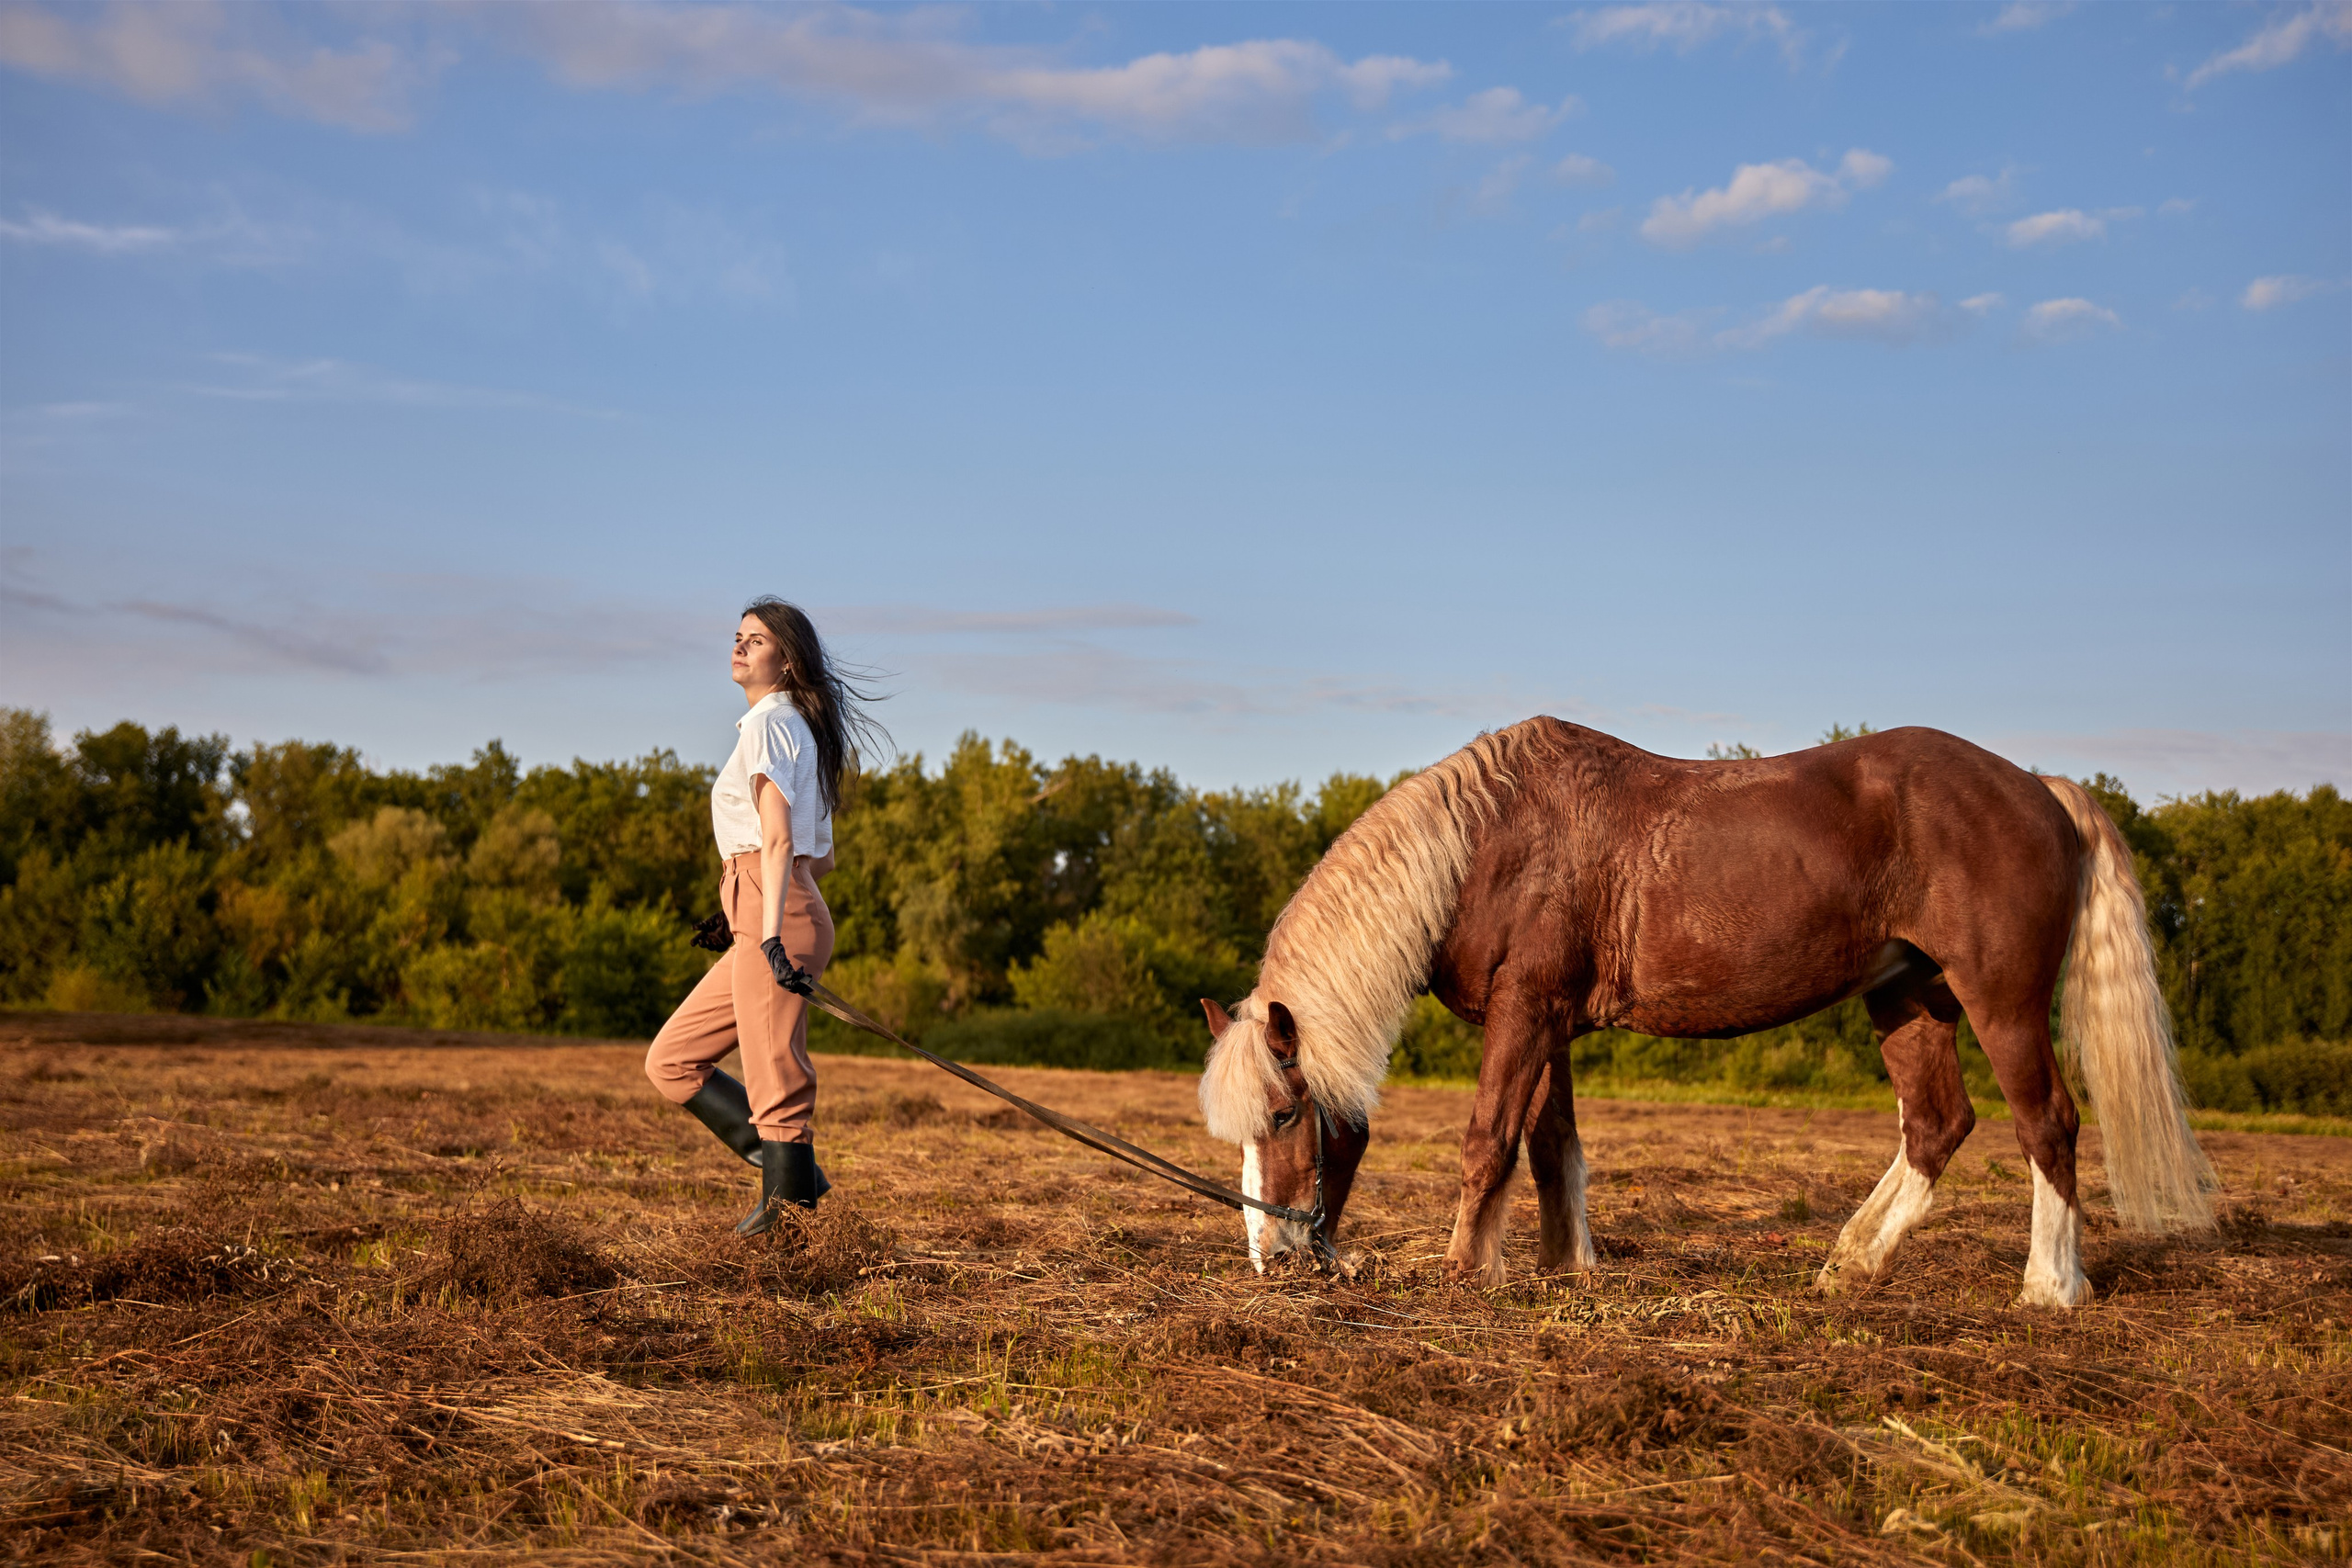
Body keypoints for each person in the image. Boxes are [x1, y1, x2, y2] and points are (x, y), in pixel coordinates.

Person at [643, 597, 884, 1235]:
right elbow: (821, 858)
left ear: (788, 661)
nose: (739, 646)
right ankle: (799, 1179)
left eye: (756, 640)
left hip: (776, 917)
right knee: (672, 1060)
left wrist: (769, 926)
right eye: (738, 636)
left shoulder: (771, 723)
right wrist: (741, 904)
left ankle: (787, 1219)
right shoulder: (792, 728)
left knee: (774, 1071)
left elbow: (778, 841)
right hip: (768, 905)